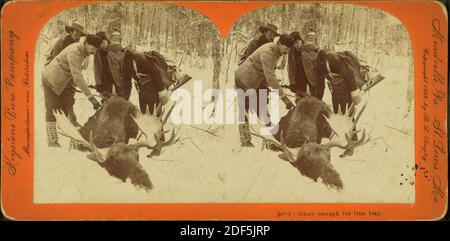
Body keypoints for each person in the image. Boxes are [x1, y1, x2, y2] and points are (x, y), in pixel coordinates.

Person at [235, 34, 295, 147]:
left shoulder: (278, 52)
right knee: (244, 109)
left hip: (256, 80)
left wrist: (266, 84)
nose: (286, 51)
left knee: (261, 107)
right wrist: (284, 98)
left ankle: (273, 133)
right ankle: (245, 141)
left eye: (288, 49)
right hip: (244, 79)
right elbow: (270, 77)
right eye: (285, 48)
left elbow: (268, 73)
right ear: (280, 44)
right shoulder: (268, 52)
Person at [42, 34, 102, 147]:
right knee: (52, 110)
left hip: (61, 81)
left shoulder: (83, 51)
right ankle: (52, 141)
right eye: (93, 48)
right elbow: (77, 76)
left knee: (64, 110)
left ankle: (73, 139)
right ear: (87, 44)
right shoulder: (75, 52)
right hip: (50, 79)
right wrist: (90, 97)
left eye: (95, 50)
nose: (94, 52)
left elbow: (78, 70)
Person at [316, 49, 363, 157]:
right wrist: (317, 100)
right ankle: (342, 140)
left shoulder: (331, 59)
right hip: (335, 89)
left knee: (348, 115)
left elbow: (348, 73)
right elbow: (320, 82)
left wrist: (354, 93)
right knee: (338, 113)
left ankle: (352, 144)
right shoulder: (318, 63)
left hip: (346, 87)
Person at [45, 23, 87, 129]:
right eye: (76, 34)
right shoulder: (61, 43)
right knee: (55, 105)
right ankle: (62, 126)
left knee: (69, 100)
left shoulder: (78, 47)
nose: (78, 38)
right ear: (71, 32)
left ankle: (69, 123)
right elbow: (55, 63)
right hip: (56, 78)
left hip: (69, 78)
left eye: (80, 36)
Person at [287, 31, 325, 101]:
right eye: (294, 44)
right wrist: (292, 82)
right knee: (300, 100)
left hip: (311, 77)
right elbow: (290, 67)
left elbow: (317, 61)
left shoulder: (310, 48)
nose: (296, 45)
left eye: (297, 43)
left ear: (301, 40)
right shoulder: (291, 52)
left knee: (315, 100)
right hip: (299, 78)